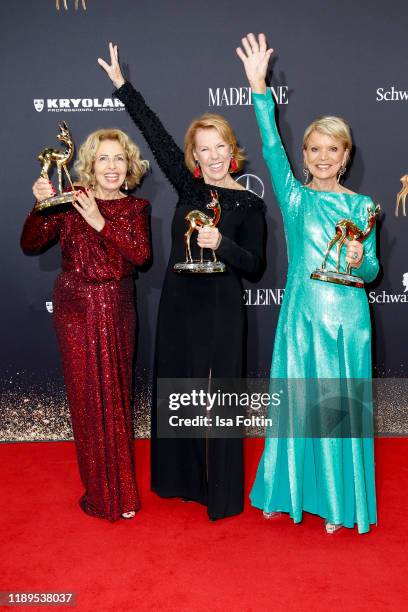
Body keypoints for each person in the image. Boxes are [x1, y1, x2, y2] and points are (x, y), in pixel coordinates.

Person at [98, 43, 265, 520]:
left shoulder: (250, 204)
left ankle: (223, 493)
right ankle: (181, 481)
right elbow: (155, 135)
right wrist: (123, 88)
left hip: (222, 306)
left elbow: (255, 265)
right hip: (178, 301)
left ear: (233, 151)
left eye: (221, 147)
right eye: (203, 148)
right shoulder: (189, 187)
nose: (213, 156)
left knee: (221, 401)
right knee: (178, 389)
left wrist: (222, 245)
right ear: (194, 154)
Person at [237, 33, 378, 534]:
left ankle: (341, 505)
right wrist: (258, 87)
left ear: (345, 155)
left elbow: (372, 272)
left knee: (340, 409)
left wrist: (361, 259)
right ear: (305, 153)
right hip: (301, 316)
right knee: (298, 406)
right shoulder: (294, 198)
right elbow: (270, 145)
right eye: (314, 148)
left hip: (348, 323)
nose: (322, 157)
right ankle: (287, 492)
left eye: (331, 149)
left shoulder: (362, 208)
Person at [21, 129, 151, 521]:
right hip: (73, 308)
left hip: (114, 305)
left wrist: (99, 221)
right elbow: (31, 244)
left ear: (129, 165)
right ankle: (98, 492)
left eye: (119, 159)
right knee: (84, 400)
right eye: (103, 159)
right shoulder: (69, 199)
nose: (111, 167)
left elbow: (140, 255)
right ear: (90, 164)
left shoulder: (136, 207)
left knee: (114, 397)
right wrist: (39, 205)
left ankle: (122, 496)